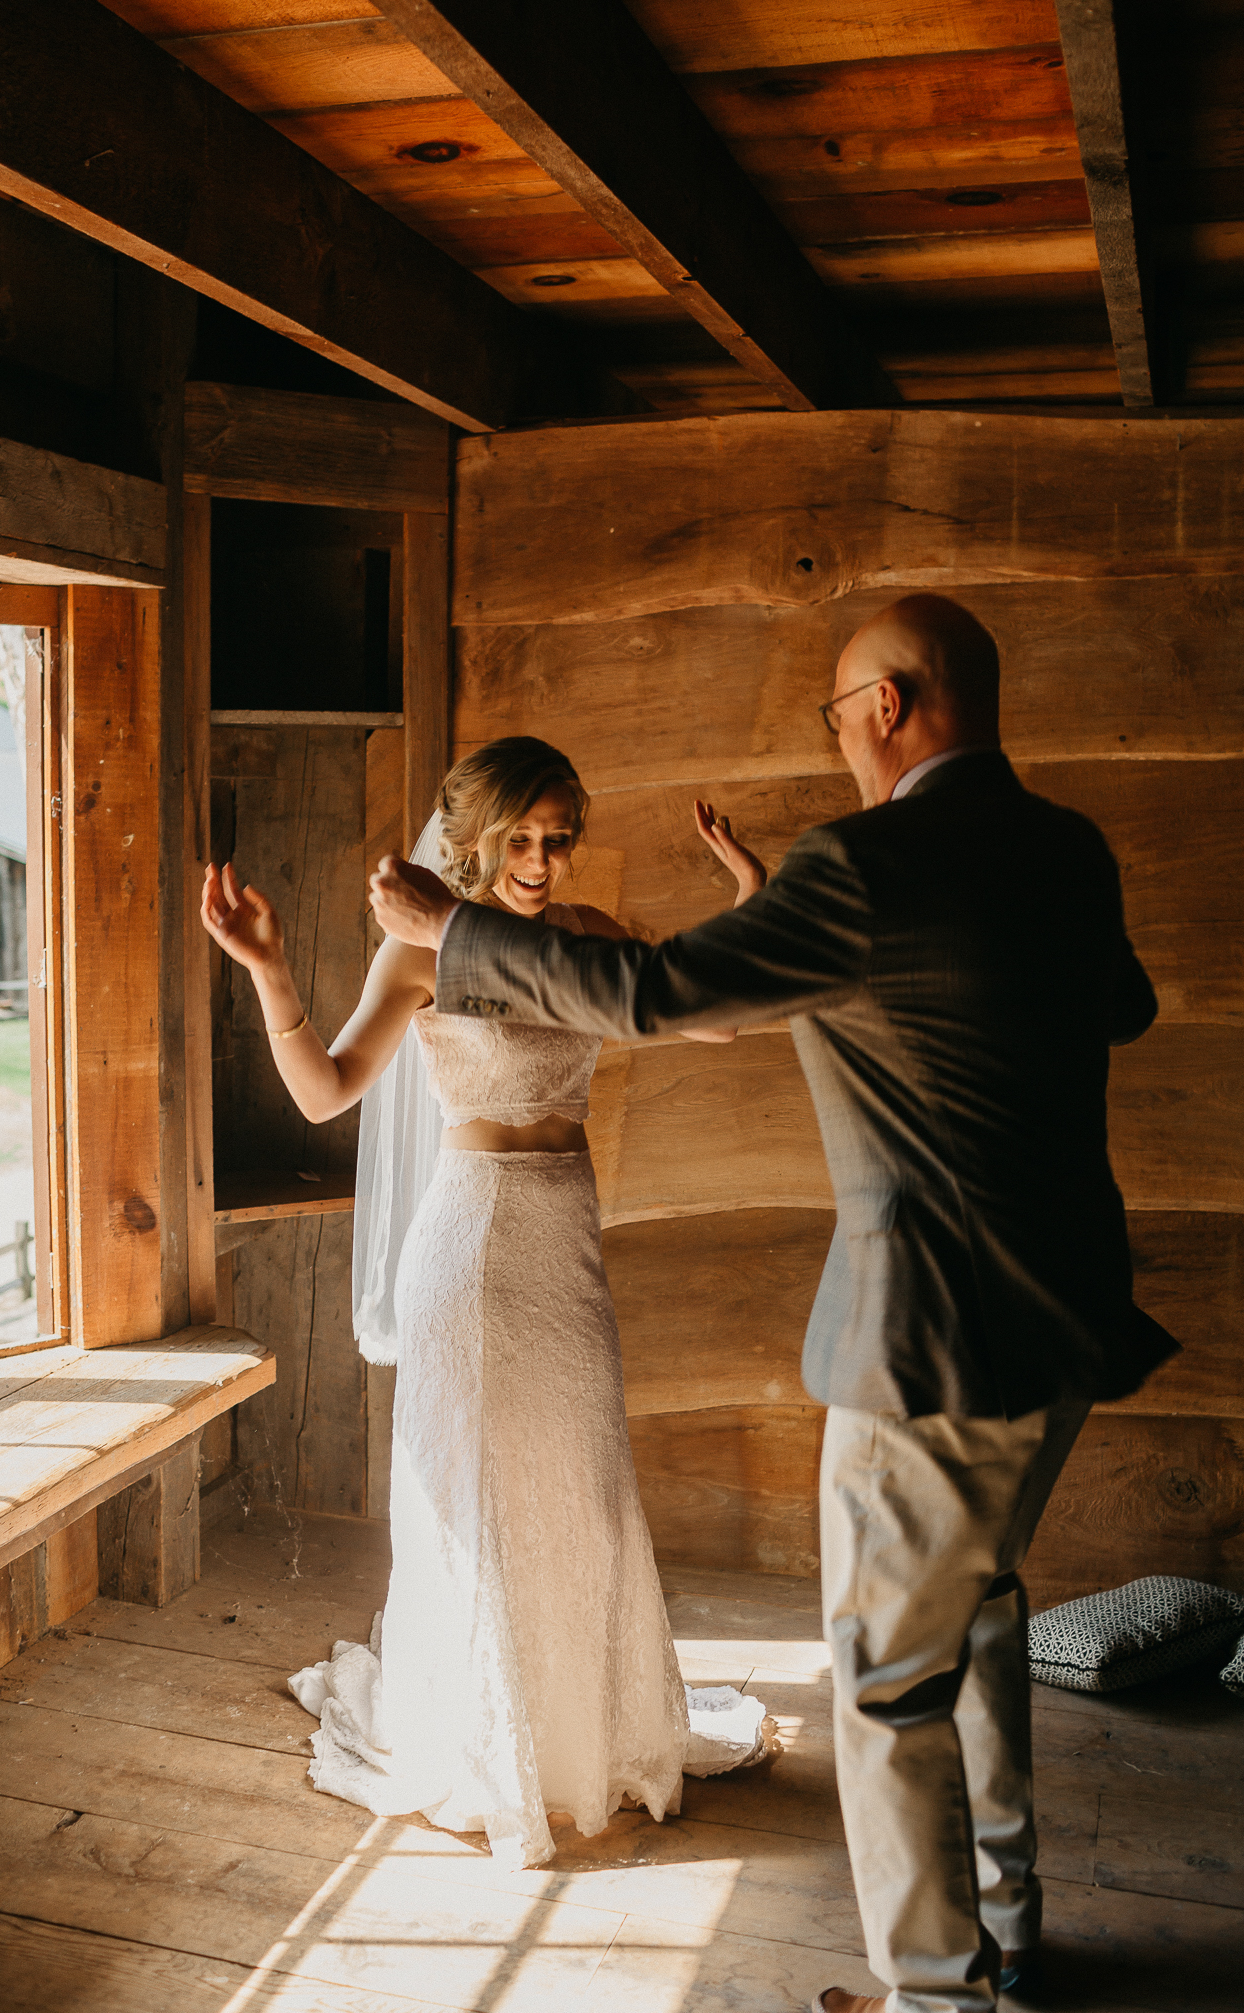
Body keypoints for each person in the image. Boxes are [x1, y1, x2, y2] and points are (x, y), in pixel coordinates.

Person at [368, 597, 1179, 2011]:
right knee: (978, 1616)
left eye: (834, 713)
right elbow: (1124, 1010)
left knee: (882, 1681)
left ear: (884, 706)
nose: (840, 739)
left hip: (928, 1341)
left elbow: (660, 991)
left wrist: (455, 935)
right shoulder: (1069, 851)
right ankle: (1010, 1932)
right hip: (1066, 1324)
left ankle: (934, 1994)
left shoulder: (864, 865)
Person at [201, 734, 770, 1872]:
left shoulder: (589, 939)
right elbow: (323, 1093)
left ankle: (579, 1735)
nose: (543, 858)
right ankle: (479, 1738)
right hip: (464, 1242)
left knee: (581, 1479)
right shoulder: (418, 949)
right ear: (471, 836)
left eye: (559, 837)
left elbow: (714, 1015)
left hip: (564, 1238)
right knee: (468, 1488)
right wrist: (267, 968)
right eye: (521, 837)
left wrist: (751, 896)